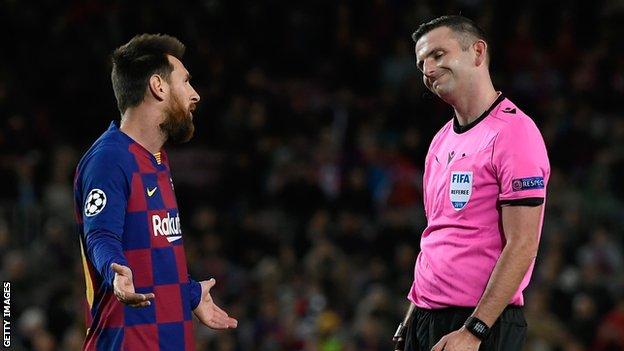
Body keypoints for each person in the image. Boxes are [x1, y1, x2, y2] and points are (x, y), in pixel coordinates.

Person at [392, 15, 550, 351]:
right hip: (425, 317)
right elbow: (437, 236)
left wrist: (474, 331)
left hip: (480, 324)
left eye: (438, 55)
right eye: (421, 63)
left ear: (478, 52)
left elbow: (523, 245)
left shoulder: (514, 134)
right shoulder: (440, 141)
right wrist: (413, 313)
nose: (428, 70)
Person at [73, 34, 238, 350]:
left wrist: (188, 293)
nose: (195, 95)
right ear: (158, 86)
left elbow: (149, 246)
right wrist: (114, 271)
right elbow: (101, 236)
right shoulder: (110, 158)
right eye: (186, 82)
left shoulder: (157, 160)